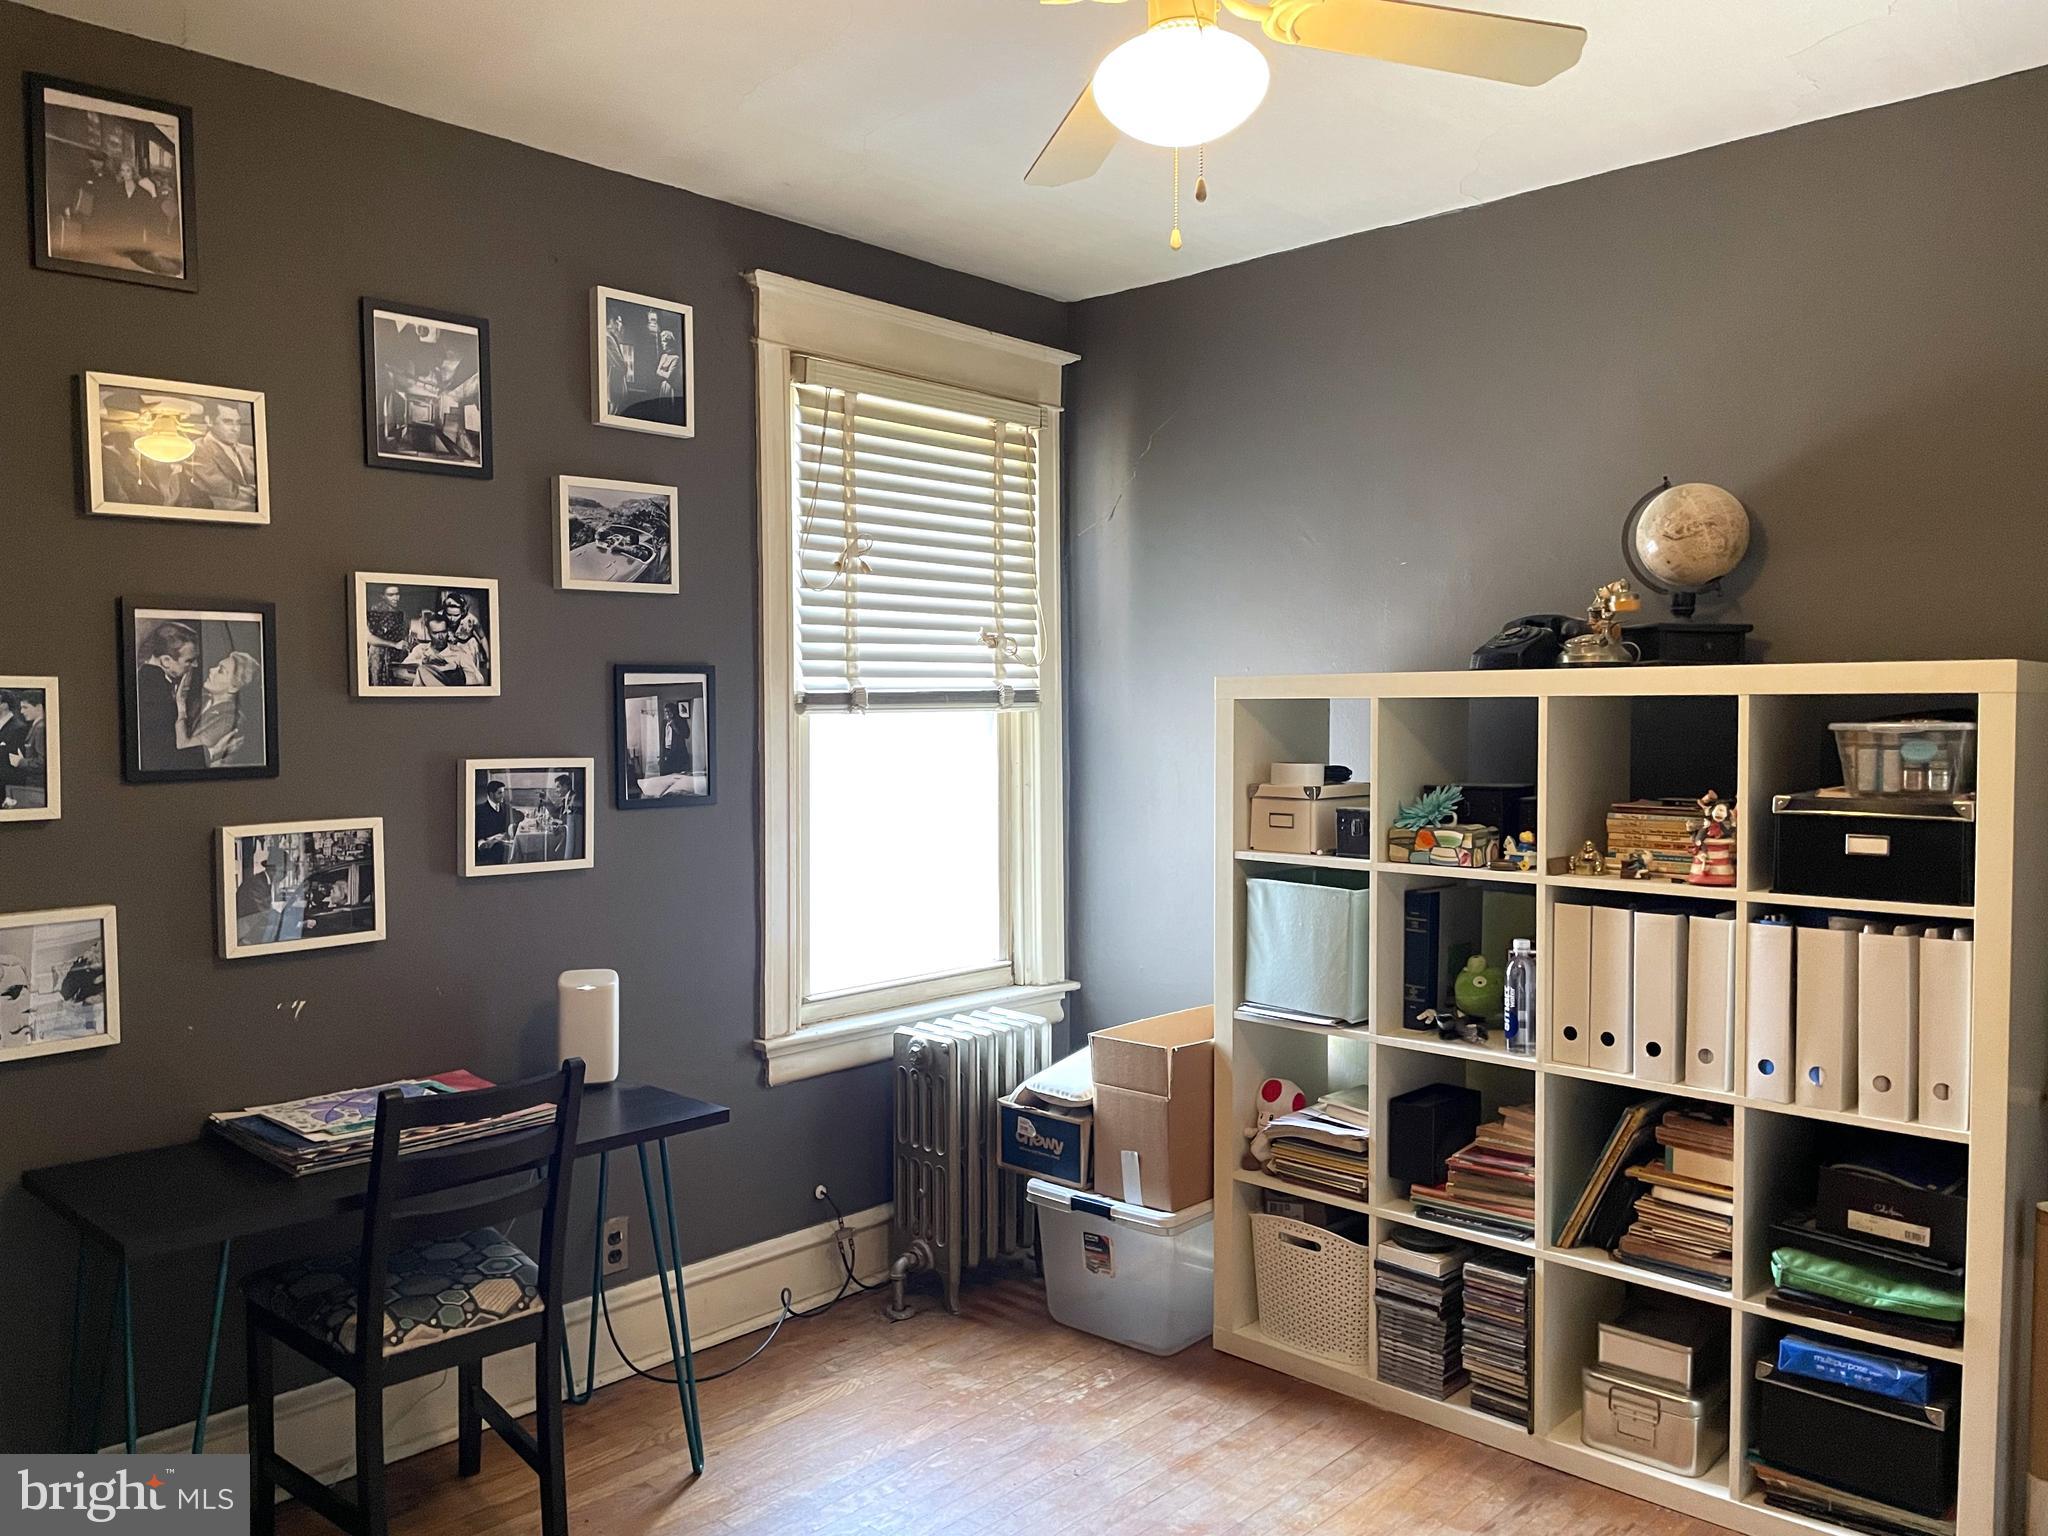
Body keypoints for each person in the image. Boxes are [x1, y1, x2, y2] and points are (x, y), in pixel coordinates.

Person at [134, 621, 206, 772]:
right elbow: (164, 753)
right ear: (166, 661)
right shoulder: (153, 692)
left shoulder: (150, 680)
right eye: (189, 660)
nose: (195, 665)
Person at [183, 651, 259, 767]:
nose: (211, 670)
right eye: (217, 666)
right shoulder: (201, 700)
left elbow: (185, 751)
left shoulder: (230, 719)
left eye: (221, 671)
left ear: (234, 687)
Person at [182, 401, 257, 511]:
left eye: (238, 422)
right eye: (228, 422)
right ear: (209, 421)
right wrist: (257, 492)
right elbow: (226, 491)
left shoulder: (250, 451)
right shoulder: (197, 449)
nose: (235, 429)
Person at [401, 614, 484, 687]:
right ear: (428, 632)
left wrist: (454, 674)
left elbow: (479, 678)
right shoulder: (420, 649)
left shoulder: (459, 653)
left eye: (443, 632)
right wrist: (424, 661)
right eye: (435, 633)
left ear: (447, 631)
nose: (440, 637)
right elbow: (402, 668)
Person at [3, 694, 48, 810]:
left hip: (35, 787)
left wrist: (21, 762)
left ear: (38, 707)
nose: (22, 711)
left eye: (25, 707)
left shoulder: (40, 728)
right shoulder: (36, 727)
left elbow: (43, 762)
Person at [364, 584, 410, 687]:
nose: (395, 598)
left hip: (397, 655)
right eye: (391, 595)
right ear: (383, 596)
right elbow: (370, 638)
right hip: (380, 656)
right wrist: (394, 644)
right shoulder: (376, 611)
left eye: (397, 594)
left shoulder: (401, 612)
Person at [474, 780, 521, 865]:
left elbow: (519, 815)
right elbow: (478, 836)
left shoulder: (504, 807)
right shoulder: (479, 810)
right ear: (491, 794)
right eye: (500, 793)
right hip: (488, 846)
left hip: (503, 841)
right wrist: (494, 839)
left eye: (503, 792)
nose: (503, 795)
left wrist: (513, 826)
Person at [605, 309, 630, 411]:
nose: (621, 325)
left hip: (614, 384)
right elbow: (621, 365)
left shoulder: (611, 337)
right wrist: (625, 366)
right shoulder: (608, 338)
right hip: (614, 384)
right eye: (619, 322)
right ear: (612, 322)